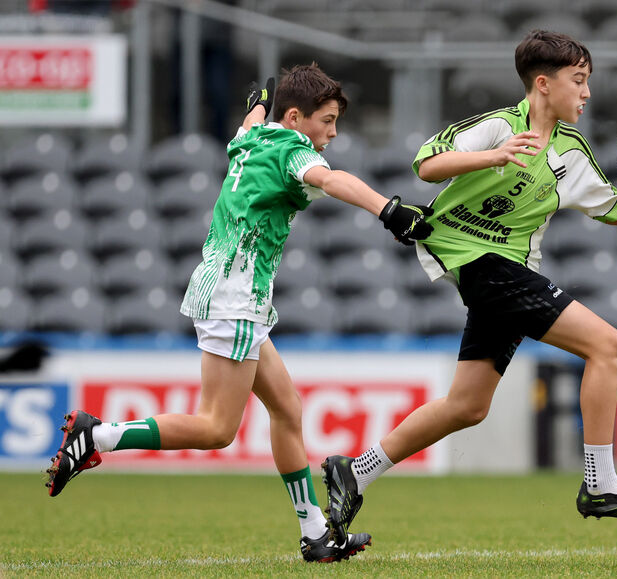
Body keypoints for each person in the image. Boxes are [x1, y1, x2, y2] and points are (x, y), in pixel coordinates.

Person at [321, 30, 617, 543]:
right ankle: (600, 482)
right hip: (480, 264)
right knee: (609, 345)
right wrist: (494, 156)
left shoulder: (570, 152)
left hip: (505, 274)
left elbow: (613, 208)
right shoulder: (498, 127)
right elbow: (426, 164)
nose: (587, 93)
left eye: (588, 82)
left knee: (468, 405)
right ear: (542, 84)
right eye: (578, 80)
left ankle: (355, 472)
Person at [45, 63, 432, 563]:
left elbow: (250, 122)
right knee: (216, 428)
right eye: (328, 121)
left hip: (230, 289)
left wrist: (256, 104)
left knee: (288, 409)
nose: (333, 133)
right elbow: (331, 181)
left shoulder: (251, 139)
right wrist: (390, 211)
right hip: (236, 297)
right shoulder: (295, 150)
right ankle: (97, 436)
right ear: (295, 118)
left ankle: (315, 533)